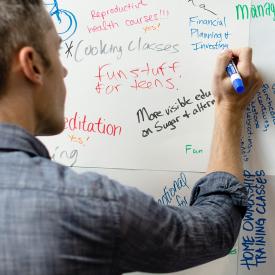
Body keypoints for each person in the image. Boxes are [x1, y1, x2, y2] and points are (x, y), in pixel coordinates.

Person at [0, 1, 262, 275]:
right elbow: (215, 228)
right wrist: (229, 108)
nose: (64, 71)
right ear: (32, 65)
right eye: (57, 51)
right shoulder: (86, 205)